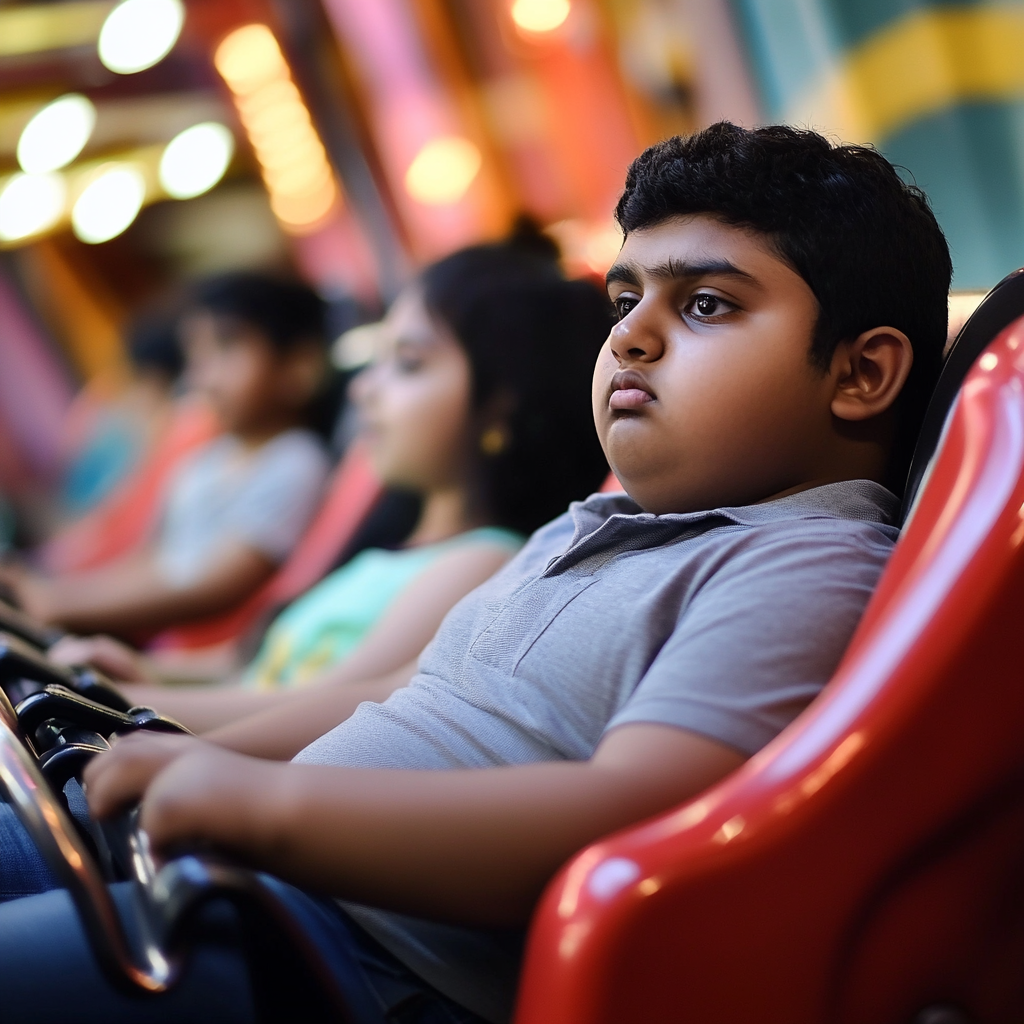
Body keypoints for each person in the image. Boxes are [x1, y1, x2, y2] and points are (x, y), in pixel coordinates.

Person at [0, 123, 952, 1024]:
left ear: (861, 374)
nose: (630, 337)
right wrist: (167, 736)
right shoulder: (597, 524)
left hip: (358, 967)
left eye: (705, 304)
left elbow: (633, 819)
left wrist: (266, 804)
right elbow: (395, 689)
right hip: (258, 895)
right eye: (627, 302)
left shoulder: (807, 564)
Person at [49, 227, 613, 732]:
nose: (364, 389)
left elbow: (334, 706)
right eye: (379, 360)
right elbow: (251, 666)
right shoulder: (392, 544)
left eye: (409, 363)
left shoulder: (481, 561)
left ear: (502, 406)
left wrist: (120, 698)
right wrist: (144, 675)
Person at [0, 273, 333, 639]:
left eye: (226, 347)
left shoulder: (295, 461)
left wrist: (57, 605)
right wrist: (55, 591)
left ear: (299, 366)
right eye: (196, 356)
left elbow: (212, 588)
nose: (202, 378)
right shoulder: (207, 458)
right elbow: (152, 560)